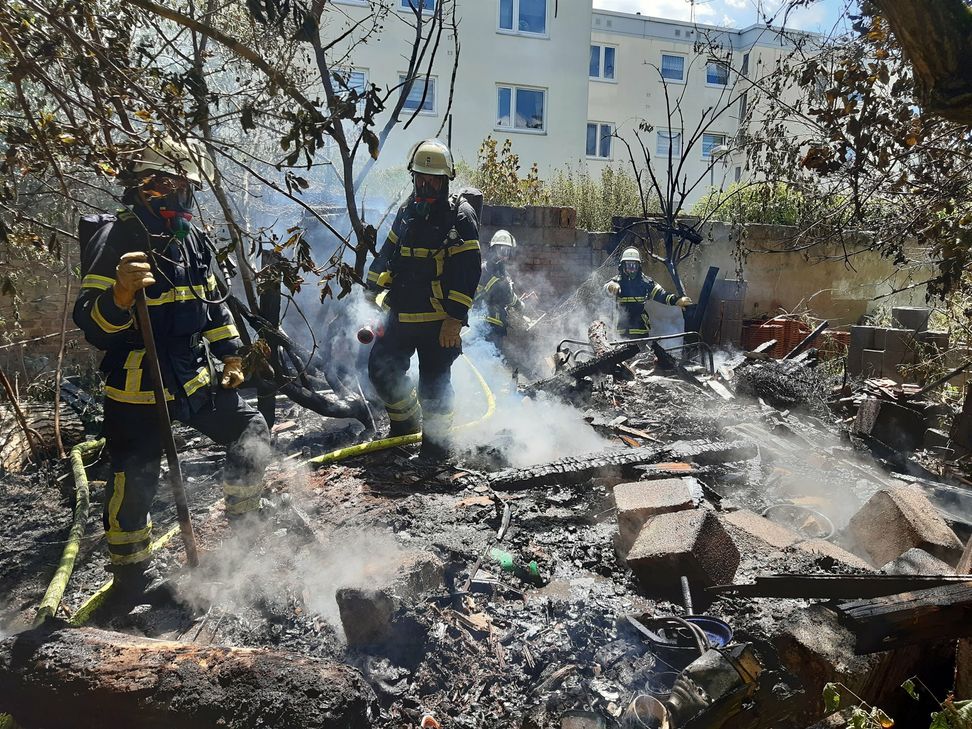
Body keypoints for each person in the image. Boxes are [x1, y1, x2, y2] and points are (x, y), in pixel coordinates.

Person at [73, 137, 271, 600]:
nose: (183, 196)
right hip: (138, 387)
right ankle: (130, 580)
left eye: (187, 187)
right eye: (174, 185)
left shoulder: (192, 240)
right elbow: (92, 323)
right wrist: (118, 296)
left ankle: (244, 533)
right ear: (148, 186)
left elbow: (214, 306)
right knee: (134, 480)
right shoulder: (117, 236)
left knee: (250, 430)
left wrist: (233, 356)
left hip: (192, 377)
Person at [366, 138, 481, 462]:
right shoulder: (405, 211)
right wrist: (370, 290)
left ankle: (436, 449)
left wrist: (454, 319)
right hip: (401, 313)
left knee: (434, 386)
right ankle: (404, 427)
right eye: (419, 178)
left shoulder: (461, 216)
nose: (425, 184)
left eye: (432, 179)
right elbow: (387, 251)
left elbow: (468, 271)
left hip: (438, 322)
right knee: (380, 369)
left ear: (446, 181)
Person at [605, 247, 692, 338]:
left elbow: (662, 295)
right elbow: (604, 290)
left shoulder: (646, 282)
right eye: (628, 266)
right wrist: (610, 287)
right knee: (621, 351)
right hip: (622, 329)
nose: (631, 269)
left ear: (639, 266)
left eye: (634, 266)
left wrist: (677, 300)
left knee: (642, 352)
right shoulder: (616, 281)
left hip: (640, 329)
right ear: (622, 266)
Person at [476, 229, 521, 350]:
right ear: (494, 249)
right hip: (492, 325)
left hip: (477, 323)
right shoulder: (499, 275)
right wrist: (520, 305)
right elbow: (509, 298)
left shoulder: (481, 267)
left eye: (508, 251)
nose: (506, 255)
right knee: (491, 358)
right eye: (503, 250)